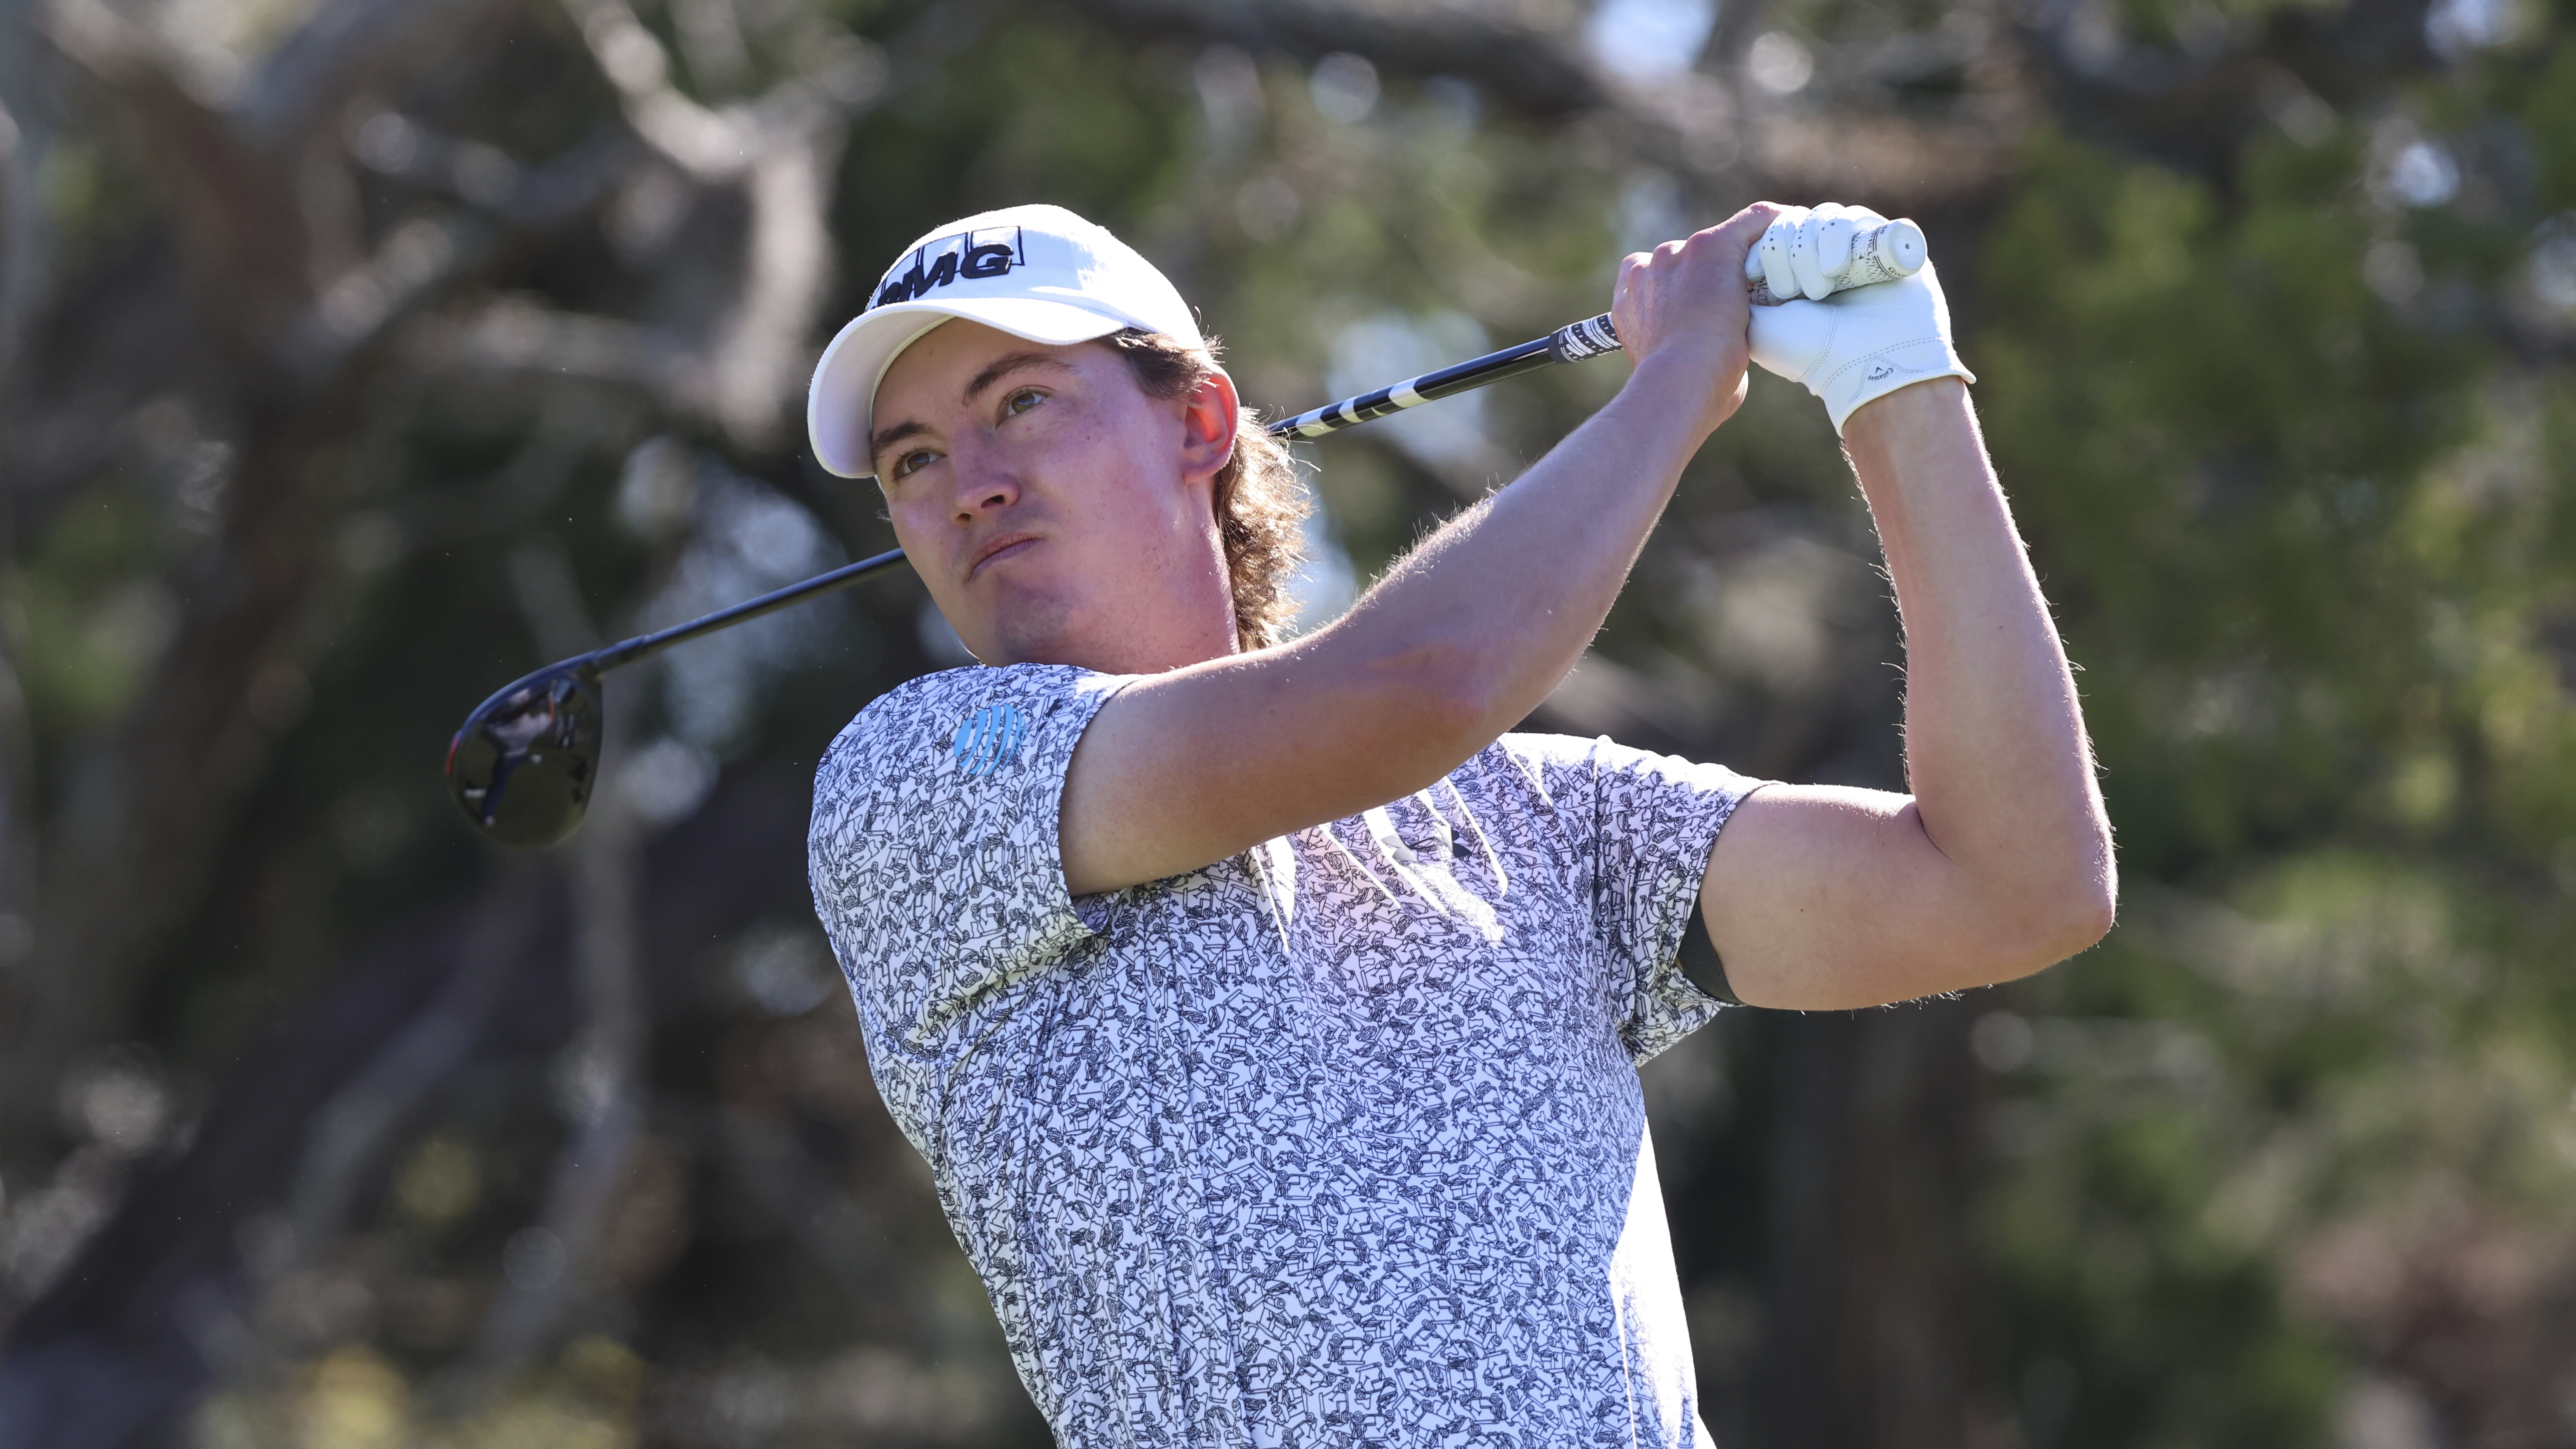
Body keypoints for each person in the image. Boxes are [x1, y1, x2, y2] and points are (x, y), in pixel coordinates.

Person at [802, 201, 2113, 1446]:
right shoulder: (916, 787)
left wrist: (1898, 389)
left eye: (1021, 404)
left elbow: (2016, 886)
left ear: (1200, 421)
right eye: (913, 459)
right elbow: (1416, 686)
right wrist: (1679, 379)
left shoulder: (1536, 814)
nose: (967, 484)